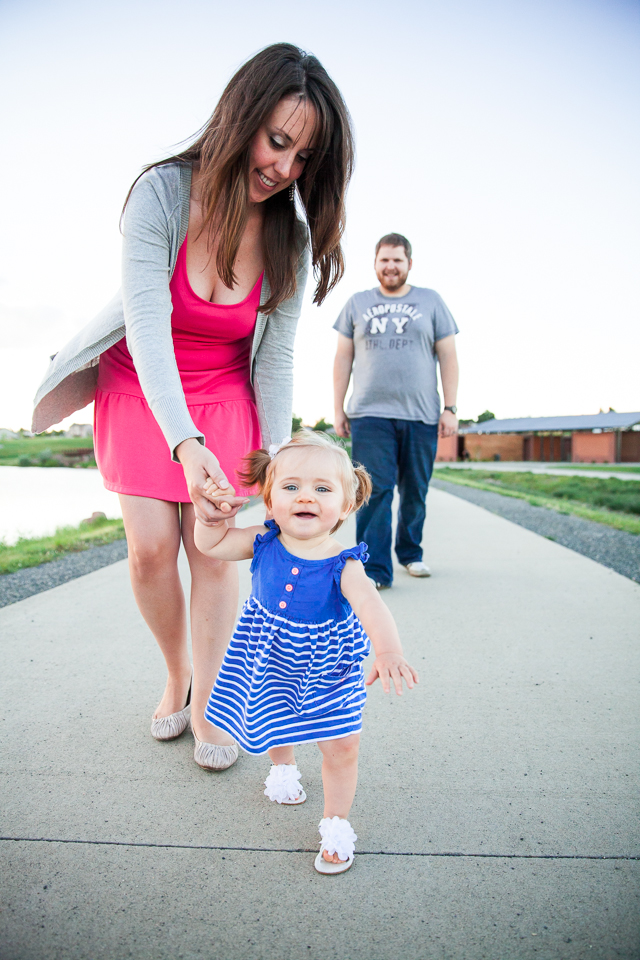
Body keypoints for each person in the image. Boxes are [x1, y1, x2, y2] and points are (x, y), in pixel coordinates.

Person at [32, 44, 354, 772]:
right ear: (240, 116)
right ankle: (175, 671)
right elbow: (146, 328)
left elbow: (273, 360)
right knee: (151, 550)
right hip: (143, 385)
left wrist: (272, 472)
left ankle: (210, 699)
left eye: (304, 157)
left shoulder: (290, 236)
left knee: (213, 553)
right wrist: (184, 441)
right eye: (277, 141)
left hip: (226, 390)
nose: (284, 168)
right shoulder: (161, 194)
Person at [194, 432, 418, 874]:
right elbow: (211, 546)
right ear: (270, 499)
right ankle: (283, 770)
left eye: (322, 488)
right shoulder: (262, 540)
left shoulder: (345, 564)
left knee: (341, 745)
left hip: (329, 670)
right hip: (269, 657)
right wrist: (212, 517)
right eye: (291, 487)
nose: (306, 497)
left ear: (347, 504)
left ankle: (335, 827)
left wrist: (388, 649)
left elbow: (372, 605)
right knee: (275, 718)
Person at [333, 232, 459, 589]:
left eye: (397, 260)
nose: (390, 266)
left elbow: (448, 356)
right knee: (375, 490)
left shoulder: (430, 301)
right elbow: (343, 357)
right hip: (370, 414)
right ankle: (374, 570)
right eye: (384, 260)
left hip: (421, 414)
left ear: (409, 264)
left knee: (415, 488)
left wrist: (450, 407)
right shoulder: (357, 303)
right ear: (375, 263)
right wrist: (338, 407)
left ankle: (410, 553)